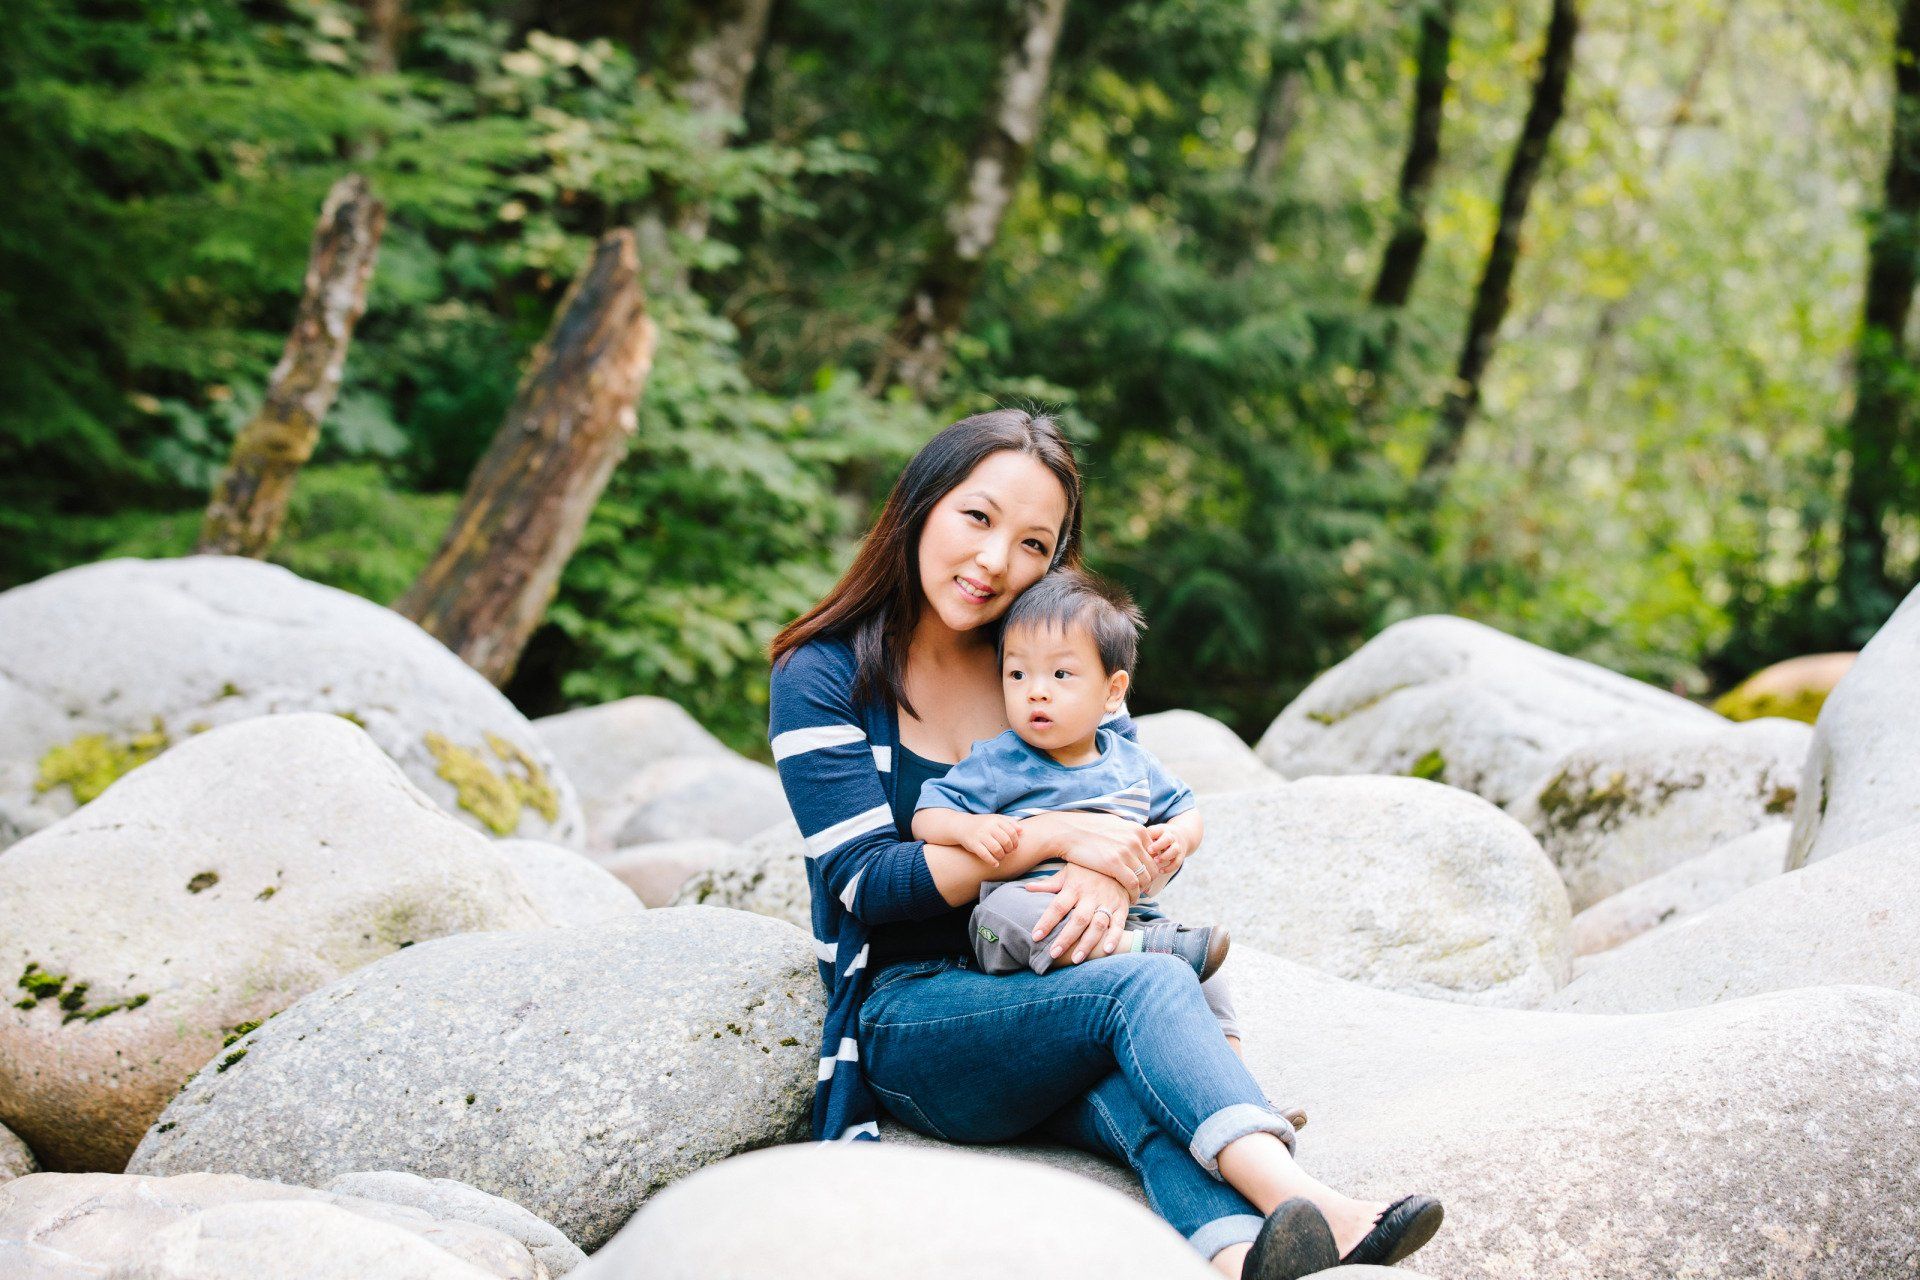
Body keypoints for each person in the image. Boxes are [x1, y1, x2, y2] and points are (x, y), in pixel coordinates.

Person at [766, 408, 1441, 1278]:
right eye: (977, 517)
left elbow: (1133, 812)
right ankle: (1324, 1207)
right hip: (917, 1017)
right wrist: (1048, 838)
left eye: (1033, 545)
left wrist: (1112, 883)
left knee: (1146, 1097)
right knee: (1153, 981)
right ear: (920, 504)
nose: (994, 562)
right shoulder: (821, 675)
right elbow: (870, 883)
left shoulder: (1056, 653)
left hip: (1060, 983)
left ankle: (1247, 1257)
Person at [911, 567, 1230, 982]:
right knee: (1002, 914)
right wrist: (967, 828)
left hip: (1127, 911)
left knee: (1211, 974)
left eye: (1060, 674)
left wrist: (1178, 838)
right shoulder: (997, 761)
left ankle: (1228, 1043)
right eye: (1017, 674)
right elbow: (925, 815)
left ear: (1113, 691)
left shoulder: (1134, 763)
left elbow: (1186, 811)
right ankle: (1139, 952)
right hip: (1034, 906)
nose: (1035, 691)